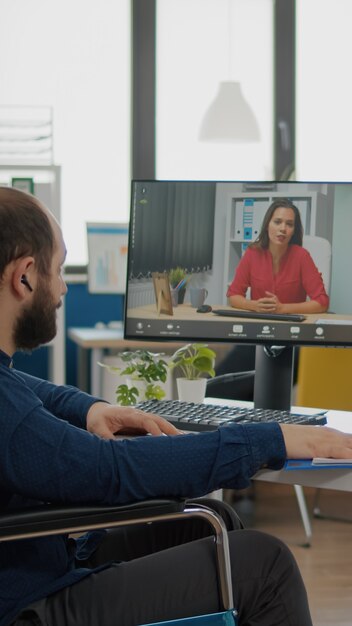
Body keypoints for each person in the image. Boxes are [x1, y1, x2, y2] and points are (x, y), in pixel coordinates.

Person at [1, 188, 352, 626]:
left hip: (39, 557)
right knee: (266, 566)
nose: (64, 287)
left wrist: (91, 409)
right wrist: (270, 438)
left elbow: (29, 388)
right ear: (26, 276)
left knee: (210, 519)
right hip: (27, 602)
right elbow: (110, 471)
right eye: (58, 269)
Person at [227, 198, 330, 314]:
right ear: (267, 225)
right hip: (259, 322)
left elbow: (322, 302)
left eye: (289, 224)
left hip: (292, 325)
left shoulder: (302, 256)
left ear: (294, 230)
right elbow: (233, 295)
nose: (283, 229)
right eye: (277, 222)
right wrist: (254, 305)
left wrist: (282, 309)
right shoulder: (252, 253)